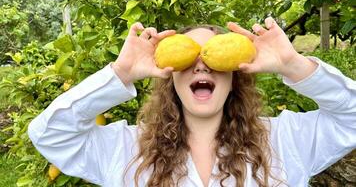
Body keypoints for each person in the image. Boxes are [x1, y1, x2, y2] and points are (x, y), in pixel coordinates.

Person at [28, 17, 356, 187]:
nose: (201, 64)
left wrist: (294, 65)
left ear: (233, 77)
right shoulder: (127, 148)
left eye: (214, 57)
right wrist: (121, 72)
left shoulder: (286, 140)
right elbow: (49, 134)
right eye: (188, 58)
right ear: (170, 76)